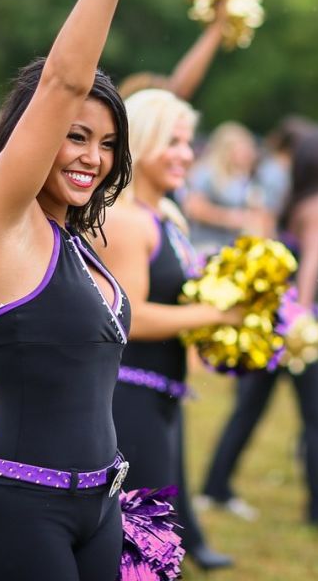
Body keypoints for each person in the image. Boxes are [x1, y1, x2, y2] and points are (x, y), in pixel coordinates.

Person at [0, 0, 134, 580]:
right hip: (24, 510)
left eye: (107, 144)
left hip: (101, 510)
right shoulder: (1, 221)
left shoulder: (75, 243)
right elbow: (64, 82)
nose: (92, 157)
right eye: (76, 136)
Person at [96, 89, 240, 571]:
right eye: (172, 141)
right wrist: (219, 317)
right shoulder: (126, 218)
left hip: (162, 396)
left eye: (188, 141)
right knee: (143, 547)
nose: (186, 153)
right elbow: (130, 314)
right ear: (141, 143)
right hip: (128, 396)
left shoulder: (167, 217)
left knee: (149, 545)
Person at [200, 127, 318, 540]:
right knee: (316, 420)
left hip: (276, 319)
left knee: (251, 407)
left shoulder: (299, 199)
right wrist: (303, 321)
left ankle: (215, 486)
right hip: (292, 325)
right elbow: (308, 267)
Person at [183, 121, 263, 256]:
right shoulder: (206, 173)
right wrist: (229, 218)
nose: (247, 154)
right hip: (207, 247)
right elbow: (193, 207)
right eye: (242, 149)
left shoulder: (242, 177)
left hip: (232, 249)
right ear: (227, 149)